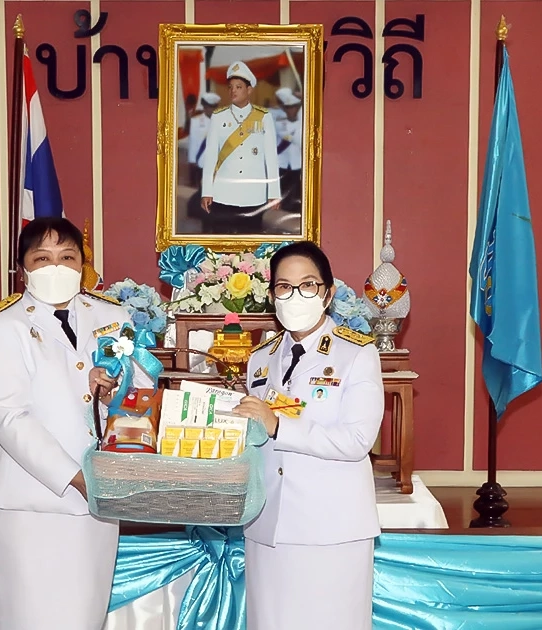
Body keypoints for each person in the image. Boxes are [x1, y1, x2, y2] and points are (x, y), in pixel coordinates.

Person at [0, 216, 128, 630]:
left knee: (83, 615)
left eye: (67, 257)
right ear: (22, 268)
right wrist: (74, 476)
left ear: (82, 265)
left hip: (98, 498)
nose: (56, 267)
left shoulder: (112, 315)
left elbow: (139, 390)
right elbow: (7, 415)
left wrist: (114, 392)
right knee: (30, 615)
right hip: (30, 501)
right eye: (42, 258)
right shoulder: (4, 324)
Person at [232, 241, 384, 630]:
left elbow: (357, 441)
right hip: (268, 525)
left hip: (330, 527)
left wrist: (279, 426)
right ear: (271, 296)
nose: (295, 295)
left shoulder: (356, 354)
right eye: (284, 287)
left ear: (328, 294)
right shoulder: (260, 358)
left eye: (308, 285)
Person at [200, 61, 281, 234]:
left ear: (249, 90)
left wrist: (274, 193)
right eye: (230, 87)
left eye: (238, 87)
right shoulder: (218, 117)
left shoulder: (263, 117)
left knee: (251, 240)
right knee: (221, 239)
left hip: (253, 195)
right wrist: (207, 191)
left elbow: (271, 158)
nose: (233, 91)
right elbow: (210, 157)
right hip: (223, 193)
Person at [187, 92, 219, 186]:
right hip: (201, 161)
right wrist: (192, 161)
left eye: (213, 107)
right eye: (208, 107)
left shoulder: (221, 122)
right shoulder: (196, 121)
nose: (211, 110)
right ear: (204, 107)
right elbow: (193, 142)